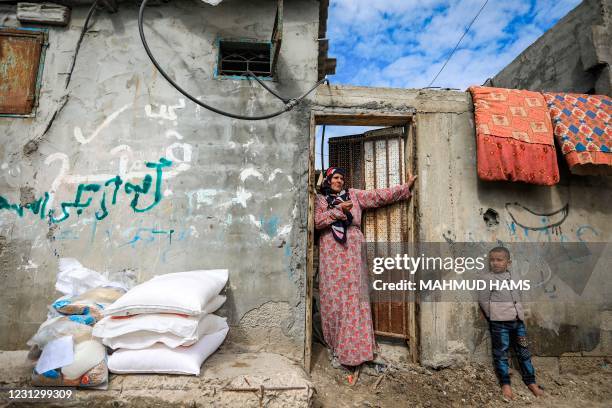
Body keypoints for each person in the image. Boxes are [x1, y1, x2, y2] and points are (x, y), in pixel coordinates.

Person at [315, 166, 416, 369]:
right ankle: (336, 347)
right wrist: (338, 211)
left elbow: (378, 196)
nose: (339, 181)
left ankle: (356, 351)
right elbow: (317, 222)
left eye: (342, 178)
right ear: (327, 180)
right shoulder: (320, 200)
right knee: (333, 297)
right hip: (330, 251)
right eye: (335, 177)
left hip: (351, 247)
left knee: (354, 296)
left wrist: (405, 187)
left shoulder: (353, 195)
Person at [478, 246, 544, 400]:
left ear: (508, 262)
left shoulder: (514, 276)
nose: (495, 263)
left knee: (524, 352)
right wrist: (493, 315)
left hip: (517, 322)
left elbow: (518, 295)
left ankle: (531, 381)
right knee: (501, 353)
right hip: (499, 323)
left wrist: (521, 313)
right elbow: (483, 299)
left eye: (499, 260)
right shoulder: (487, 279)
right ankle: (506, 384)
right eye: (492, 260)